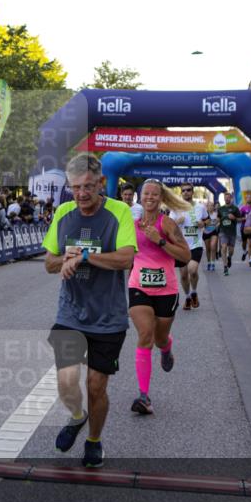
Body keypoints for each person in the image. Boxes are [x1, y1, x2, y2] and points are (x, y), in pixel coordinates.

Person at [43, 153, 136, 468]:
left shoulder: (119, 212)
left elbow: (125, 259)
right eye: (75, 187)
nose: (81, 194)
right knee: (66, 381)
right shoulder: (64, 212)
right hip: (70, 313)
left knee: (96, 387)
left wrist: (83, 256)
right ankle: (77, 416)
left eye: (87, 186)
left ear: (102, 183)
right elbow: (49, 263)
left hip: (108, 318)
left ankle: (94, 441)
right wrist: (65, 258)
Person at [127, 179, 191, 414]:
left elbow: (185, 256)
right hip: (138, 286)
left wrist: (161, 241)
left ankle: (166, 348)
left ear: (161, 198)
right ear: (140, 197)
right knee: (145, 335)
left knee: (160, 337)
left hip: (166, 290)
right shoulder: (131, 225)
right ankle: (144, 396)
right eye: (146, 194)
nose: (150, 197)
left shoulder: (169, 224)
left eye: (155, 194)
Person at [170, 184, 209, 310]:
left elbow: (207, 220)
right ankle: (187, 297)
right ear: (181, 193)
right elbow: (168, 227)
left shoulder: (200, 207)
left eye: (188, 190)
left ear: (192, 192)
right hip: (181, 246)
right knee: (183, 275)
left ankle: (194, 292)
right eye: (183, 191)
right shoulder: (176, 208)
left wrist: (203, 223)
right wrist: (177, 223)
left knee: (192, 270)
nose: (186, 192)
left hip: (196, 244)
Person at [217, 192, 241, 276]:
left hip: (232, 232)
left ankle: (229, 257)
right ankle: (225, 267)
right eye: (225, 197)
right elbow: (218, 218)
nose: (227, 199)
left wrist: (234, 218)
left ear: (231, 198)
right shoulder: (220, 209)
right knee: (223, 247)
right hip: (223, 231)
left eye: (228, 198)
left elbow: (240, 219)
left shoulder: (235, 208)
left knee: (231, 250)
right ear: (224, 199)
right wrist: (217, 221)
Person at [238, 190, 251, 264]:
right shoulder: (242, 208)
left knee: (250, 243)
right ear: (245, 199)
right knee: (244, 243)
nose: (249, 199)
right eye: (247, 198)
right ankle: (244, 251)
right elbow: (239, 219)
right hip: (244, 228)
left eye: (250, 197)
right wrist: (245, 218)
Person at [202, 200, 219, 272]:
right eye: (209, 206)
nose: (210, 207)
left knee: (213, 247)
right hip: (206, 233)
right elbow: (200, 223)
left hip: (214, 232)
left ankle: (213, 263)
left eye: (212, 205)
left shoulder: (216, 214)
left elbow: (219, 221)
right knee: (208, 249)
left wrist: (217, 224)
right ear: (207, 207)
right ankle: (209, 262)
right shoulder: (204, 215)